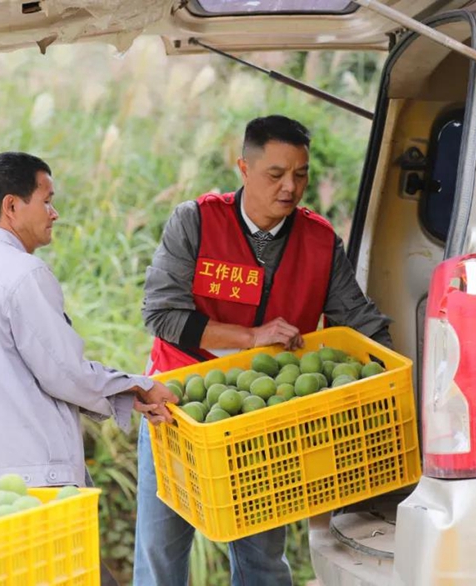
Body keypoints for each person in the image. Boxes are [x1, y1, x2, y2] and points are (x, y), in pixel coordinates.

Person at [133, 115, 392, 586]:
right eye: (276, 174)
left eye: (300, 174)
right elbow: (161, 314)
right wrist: (250, 337)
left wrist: (402, 374)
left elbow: (360, 320)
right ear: (244, 169)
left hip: (266, 417)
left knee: (262, 559)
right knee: (159, 554)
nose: (290, 187)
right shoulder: (196, 221)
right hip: (179, 411)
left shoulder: (319, 241)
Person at [0, 151, 177, 492]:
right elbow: (66, 372)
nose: (54, 214)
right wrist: (137, 385)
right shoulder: (24, 273)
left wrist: (130, 392)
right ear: (11, 206)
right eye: (46, 201)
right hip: (38, 477)